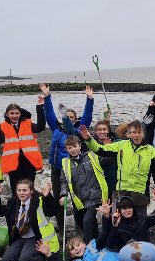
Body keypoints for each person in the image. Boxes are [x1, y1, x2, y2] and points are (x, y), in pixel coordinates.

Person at [80, 120, 155, 217]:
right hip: (120, 192)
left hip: (140, 193)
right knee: (116, 222)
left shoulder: (150, 150)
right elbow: (99, 149)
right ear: (128, 134)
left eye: (139, 132)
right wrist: (89, 139)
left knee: (141, 225)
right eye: (133, 132)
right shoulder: (121, 145)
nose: (136, 135)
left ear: (143, 134)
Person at [42, 83, 94, 229]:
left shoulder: (78, 130)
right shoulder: (56, 129)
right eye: (66, 116)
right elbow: (49, 114)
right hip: (57, 169)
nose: (69, 118)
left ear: (75, 119)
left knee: (78, 198)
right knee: (60, 199)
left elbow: (88, 115)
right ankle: (61, 228)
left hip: (74, 169)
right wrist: (47, 97)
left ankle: (81, 228)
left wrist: (90, 99)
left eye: (72, 117)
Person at [0, 179, 60, 261]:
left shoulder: (38, 200)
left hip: (36, 237)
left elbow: (52, 212)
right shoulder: (13, 202)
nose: (21, 193)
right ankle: (23, 255)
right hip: (21, 237)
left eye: (25, 190)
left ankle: (47, 260)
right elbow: (0, 212)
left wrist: (47, 197)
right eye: (19, 190)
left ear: (31, 191)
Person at [95, 191, 155, 258]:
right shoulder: (117, 224)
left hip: (146, 255)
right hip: (128, 259)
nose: (128, 211)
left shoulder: (141, 219)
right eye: (124, 208)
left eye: (130, 207)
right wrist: (114, 226)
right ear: (119, 210)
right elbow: (110, 246)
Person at [60, 136, 107, 244]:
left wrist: (107, 147)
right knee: (80, 219)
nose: (73, 149)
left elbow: (106, 159)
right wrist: (63, 195)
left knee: (87, 221)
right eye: (70, 148)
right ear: (67, 149)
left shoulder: (92, 155)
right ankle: (97, 241)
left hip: (95, 196)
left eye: (75, 146)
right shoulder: (65, 163)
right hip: (79, 199)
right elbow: (64, 181)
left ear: (80, 146)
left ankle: (90, 246)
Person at [0, 100, 46, 193]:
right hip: (13, 164)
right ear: (7, 114)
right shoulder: (2, 126)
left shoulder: (28, 123)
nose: (14, 116)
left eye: (17, 113)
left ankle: (30, 206)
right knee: (16, 190)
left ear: (20, 114)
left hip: (29, 162)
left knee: (29, 188)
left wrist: (40, 108)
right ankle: (16, 207)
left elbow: (41, 126)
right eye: (11, 113)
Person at [91, 119, 119, 195]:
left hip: (112, 180)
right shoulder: (92, 144)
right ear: (96, 132)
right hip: (97, 181)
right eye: (99, 130)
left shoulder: (116, 143)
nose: (102, 132)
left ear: (108, 131)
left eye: (104, 129)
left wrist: (110, 148)